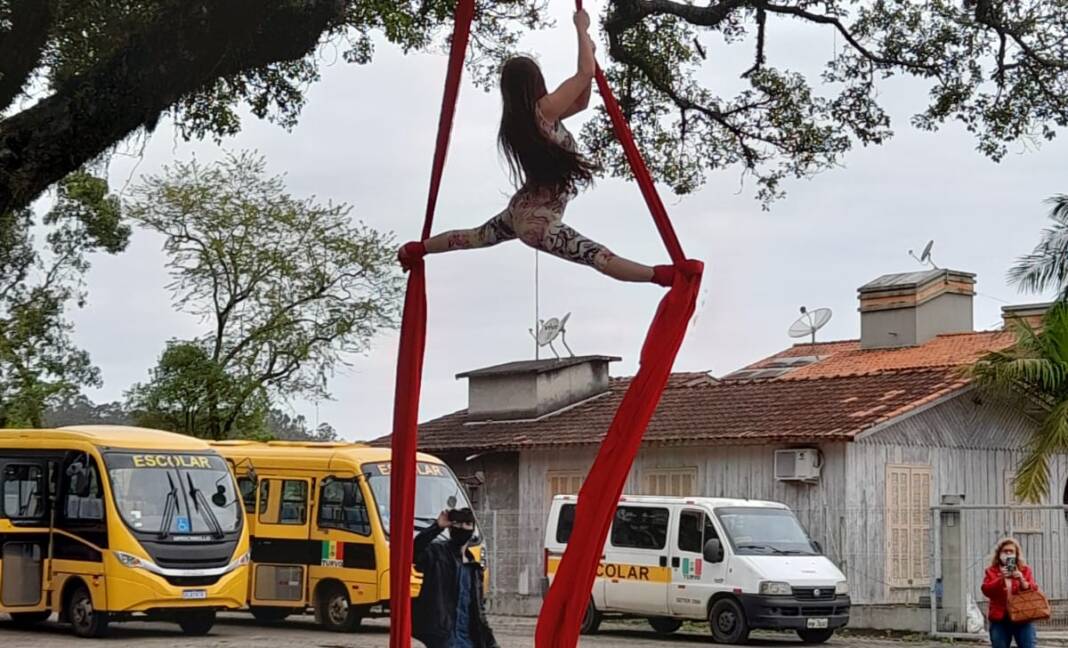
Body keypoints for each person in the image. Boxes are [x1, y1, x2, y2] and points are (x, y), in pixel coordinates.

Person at [398, 8, 698, 287]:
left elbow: (581, 101)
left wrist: (591, 57)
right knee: (597, 256)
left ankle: (418, 249)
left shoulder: (524, 121)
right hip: (538, 221)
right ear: (535, 82)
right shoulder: (543, 110)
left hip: (522, 211)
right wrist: (581, 29)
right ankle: (664, 277)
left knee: (475, 236)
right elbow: (582, 75)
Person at [412, 507, 498, 648]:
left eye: (467, 524)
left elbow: (479, 611)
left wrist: (491, 642)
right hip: (441, 638)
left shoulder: (475, 569)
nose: (462, 527)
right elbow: (414, 550)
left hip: (468, 641)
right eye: (457, 523)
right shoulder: (436, 553)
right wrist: (437, 527)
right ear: (450, 527)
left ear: (472, 529)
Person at [981, 538, 1038, 648]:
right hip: (1000, 619)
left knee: (1028, 645)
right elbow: (986, 590)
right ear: (999, 554)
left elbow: (1033, 589)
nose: (1008, 553)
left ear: (1016, 554)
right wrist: (1000, 579)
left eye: (1011, 551)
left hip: (1023, 616)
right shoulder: (991, 571)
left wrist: (1021, 579)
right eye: (1005, 551)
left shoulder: (1025, 570)